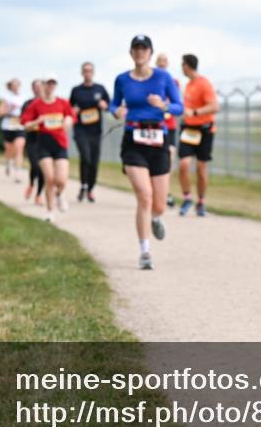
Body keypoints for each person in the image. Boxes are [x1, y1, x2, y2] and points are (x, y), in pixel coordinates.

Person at [110, 34, 183, 269]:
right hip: (134, 140)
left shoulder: (163, 77)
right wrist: (116, 112)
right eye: (136, 49)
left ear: (151, 53)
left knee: (159, 203)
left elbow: (179, 107)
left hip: (158, 139)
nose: (140, 53)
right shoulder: (122, 79)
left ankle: (155, 217)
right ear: (131, 53)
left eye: (144, 49)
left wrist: (162, 105)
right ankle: (145, 252)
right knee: (144, 195)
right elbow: (114, 103)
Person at [20, 74, 76, 222]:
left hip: (60, 144)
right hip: (43, 144)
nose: (50, 87)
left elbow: (70, 116)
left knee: (61, 180)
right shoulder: (36, 104)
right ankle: (50, 211)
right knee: (49, 178)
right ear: (43, 86)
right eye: (48, 84)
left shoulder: (63, 102)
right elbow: (25, 123)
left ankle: (60, 194)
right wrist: (37, 121)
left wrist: (68, 122)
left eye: (53, 84)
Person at [177, 53, 219, 217]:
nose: (181, 68)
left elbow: (215, 106)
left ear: (187, 66)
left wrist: (194, 112)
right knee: (184, 164)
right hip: (188, 130)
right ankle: (187, 197)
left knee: (201, 169)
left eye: (182, 65)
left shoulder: (204, 83)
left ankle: (201, 201)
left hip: (204, 130)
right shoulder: (188, 85)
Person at [69, 62, 111, 203]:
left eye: (90, 71)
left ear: (93, 72)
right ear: (82, 73)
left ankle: (91, 189)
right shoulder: (76, 90)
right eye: (85, 71)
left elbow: (110, 106)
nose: (87, 73)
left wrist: (105, 106)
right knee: (85, 157)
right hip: (81, 130)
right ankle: (83, 185)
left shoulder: (100, 89)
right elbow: (69, 109)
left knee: (94, 161)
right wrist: (73, 111)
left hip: (96, 131)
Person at [155, 52, 181, 207]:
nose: (162, 63)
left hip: (169, 125)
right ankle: (156, 190)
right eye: (160, 60)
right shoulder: (151, 79)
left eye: (165, 60)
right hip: (155, 125)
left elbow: (177, 103)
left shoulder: (174, 82)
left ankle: (166, 191)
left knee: (169, 158)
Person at [22, 80, 46, 205]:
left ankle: (38, 194)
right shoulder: (27, 104)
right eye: (35, 87)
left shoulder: (48, 103)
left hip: (45, 140)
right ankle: (31, 184)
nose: (37, 89)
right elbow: (24, 121)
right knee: (35, 165)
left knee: (43, 168)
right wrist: (36, 122)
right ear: (32, 89)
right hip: (32, 140)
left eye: (39, 86)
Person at [0, 79, 27, 183]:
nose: (16, 87)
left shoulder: (24, 97)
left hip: (19, 125)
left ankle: (17, 174)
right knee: (9, 149)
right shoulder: (6, 97)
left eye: (17, 85)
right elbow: (0, 113)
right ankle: (8, 162)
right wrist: (9, 109)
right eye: (13, 85)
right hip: (8, 125)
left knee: (19, 148)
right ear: (10, 86)